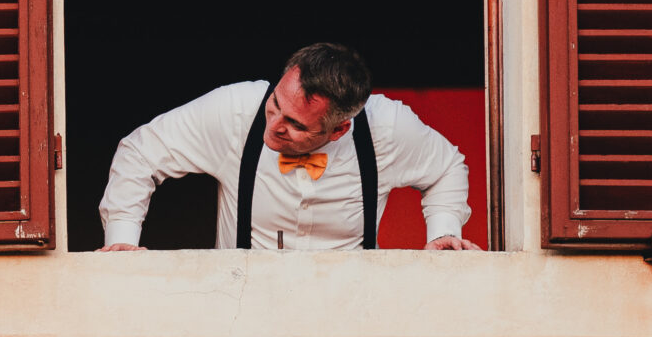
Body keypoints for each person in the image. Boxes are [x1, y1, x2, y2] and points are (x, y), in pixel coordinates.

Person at [99, 42, 478, 252]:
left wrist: (443, 233)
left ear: (339, 128)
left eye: (296, 124)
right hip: (242, 309)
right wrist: (122, 244)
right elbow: (141, 151)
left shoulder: (387, 128)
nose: (274, 125)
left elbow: (447, 168)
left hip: (348, 313)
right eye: (276, 103)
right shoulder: (236, 110)